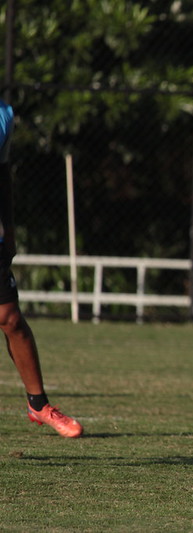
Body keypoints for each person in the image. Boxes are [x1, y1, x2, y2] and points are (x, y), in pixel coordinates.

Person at [0, 99, 83, 438]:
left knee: (11, 318)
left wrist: (10, 230)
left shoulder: (3, 115)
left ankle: (38, 404)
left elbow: (2, 175)